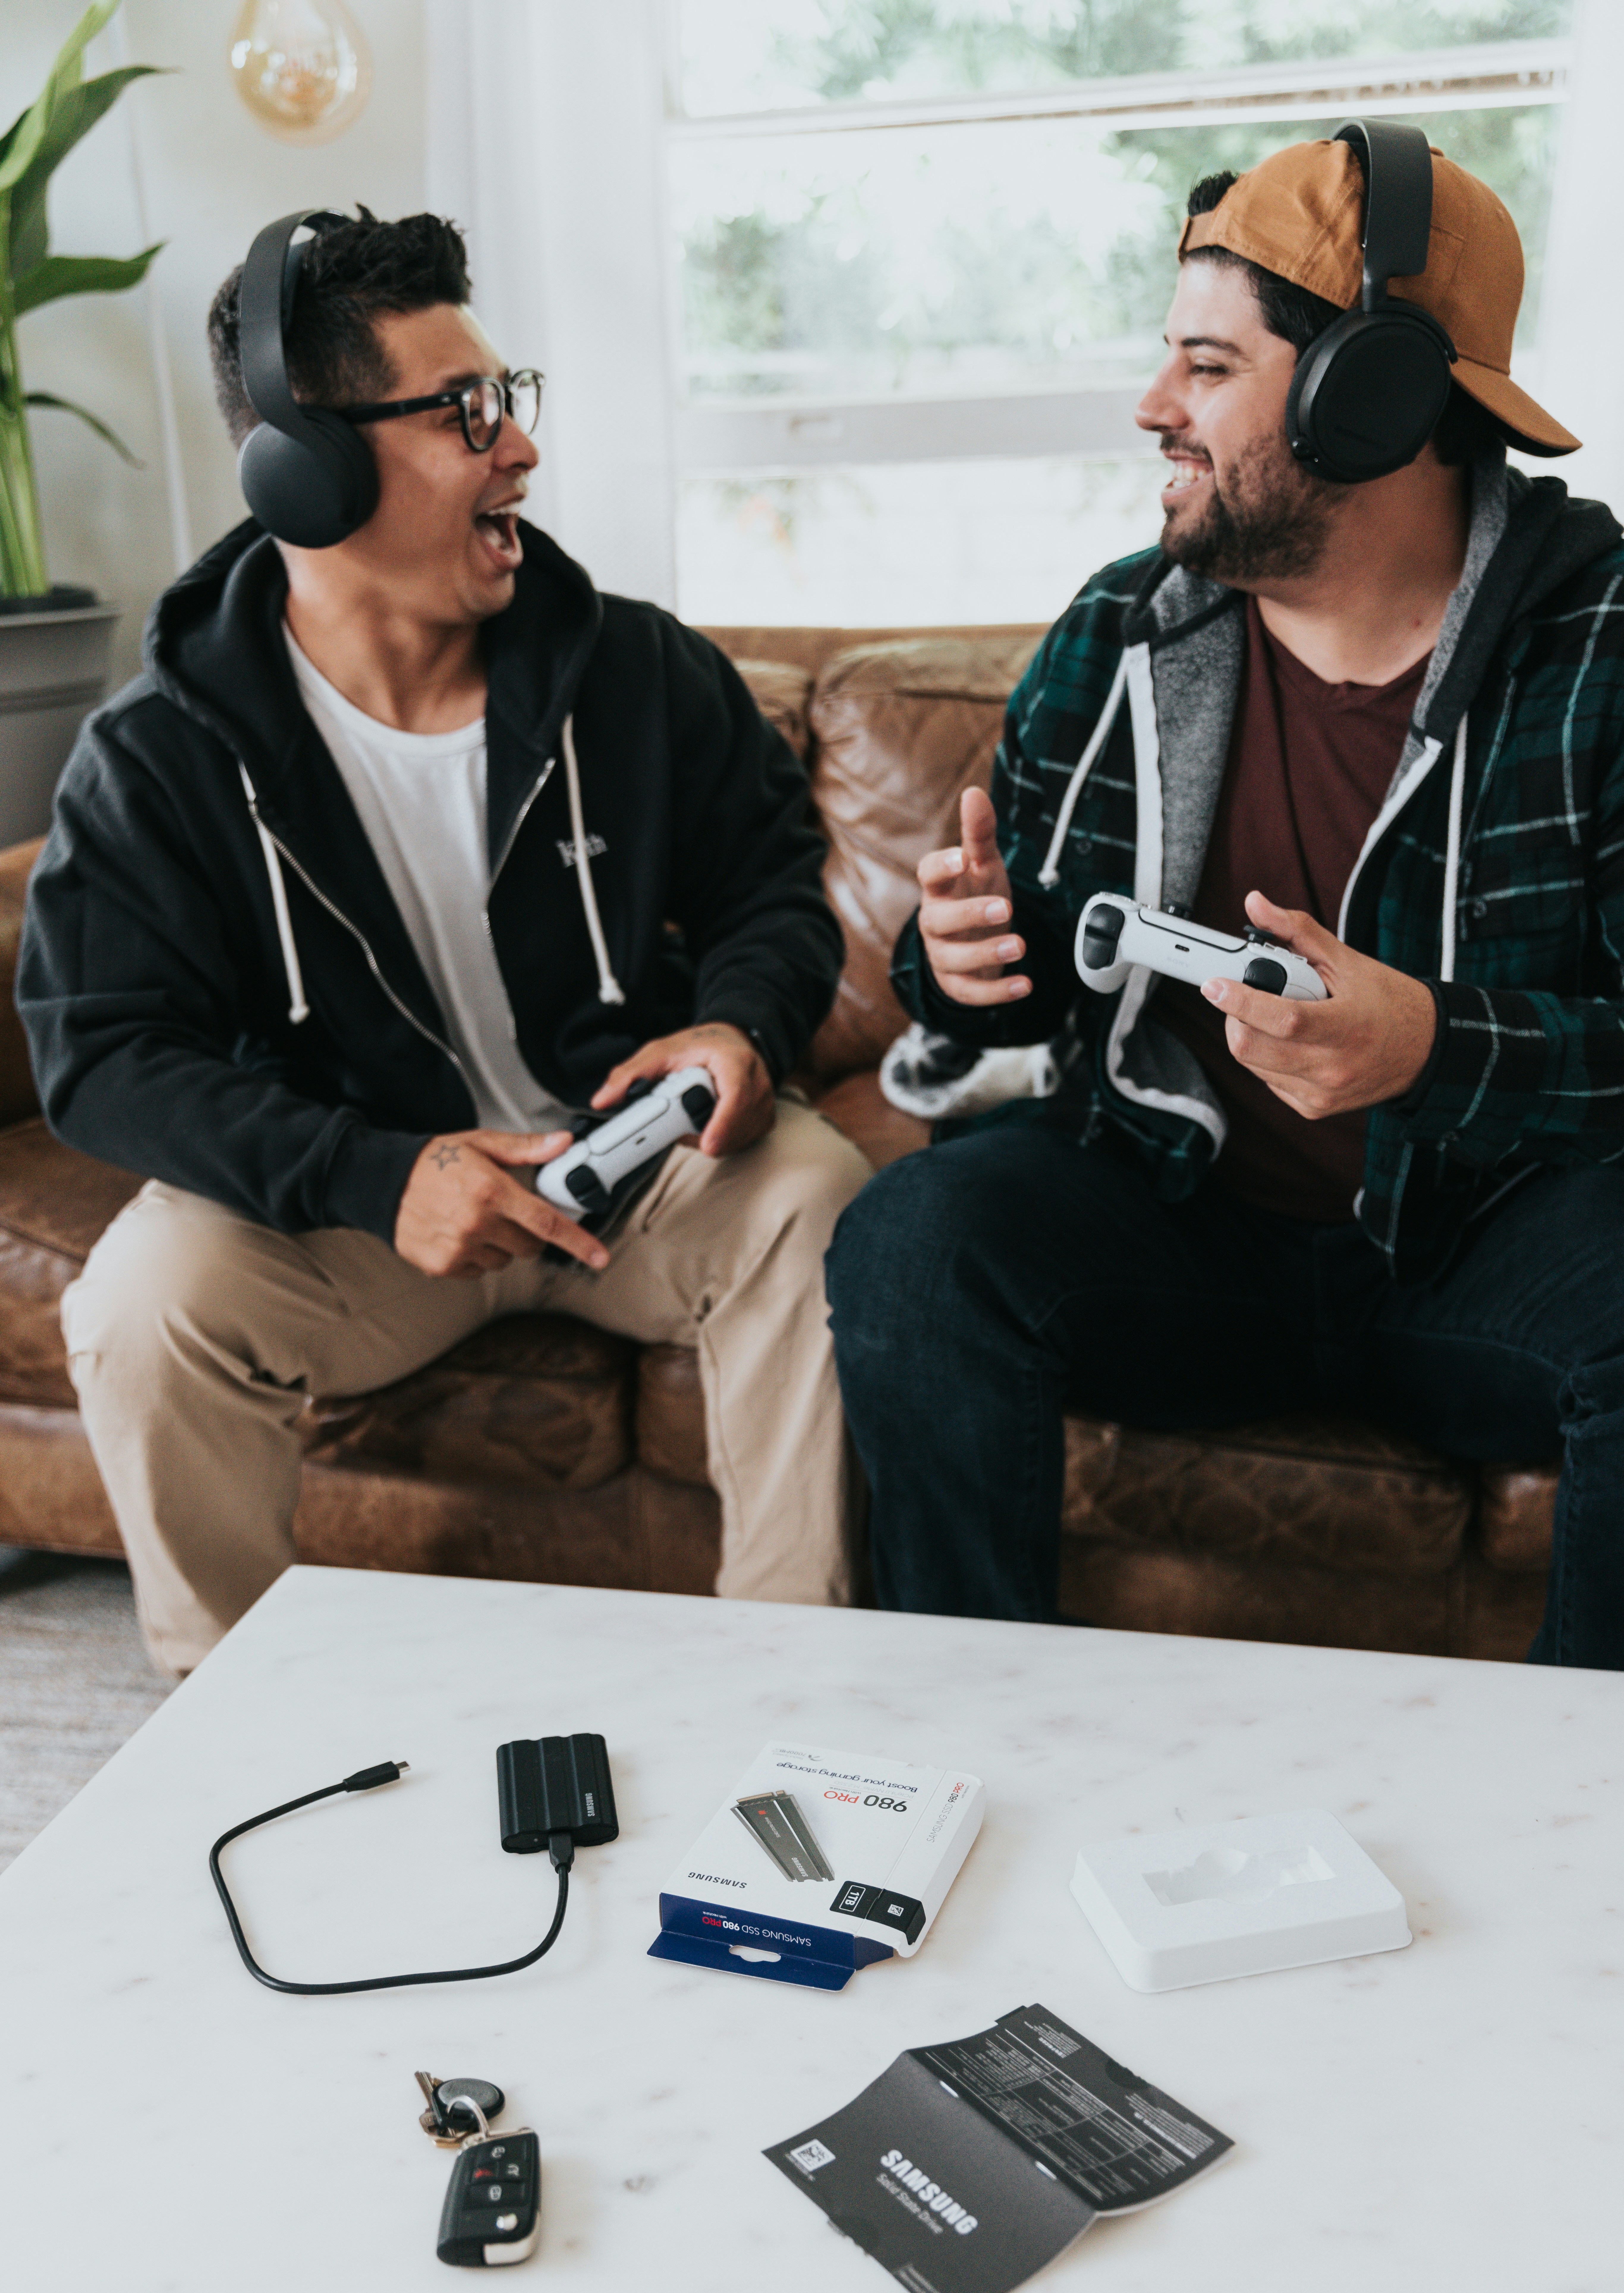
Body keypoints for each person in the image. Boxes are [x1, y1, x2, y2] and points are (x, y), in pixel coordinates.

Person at [18, 208, 869, 1676]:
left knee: (816, 1192)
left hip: (634, 1175)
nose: (519, 449)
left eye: (508, 399)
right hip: (361, 1217)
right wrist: (370, 1172)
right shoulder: (157, 752)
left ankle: (798, 1689)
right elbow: (102, 1055)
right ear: (310, 469)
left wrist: (741, 1021)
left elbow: (773, 885)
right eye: (468, 413)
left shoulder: (633, 667)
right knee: (144, 1299)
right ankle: (235, 1716)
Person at [826, 130, 1624, 1669]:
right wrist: (964, 964)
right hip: (1183, 1231)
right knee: (916, 1240)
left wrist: (1432, 1047)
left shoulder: (1600, 649)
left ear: (1371, 399)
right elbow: (1015, 968)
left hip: (1482, 1251)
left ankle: (1591, 1792)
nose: (1152, 406)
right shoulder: (1122, 629)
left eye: (1205, 366)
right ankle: (968, 1735)